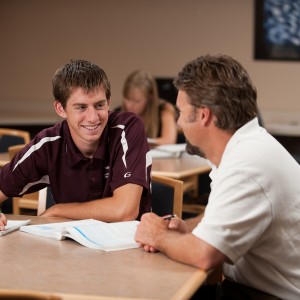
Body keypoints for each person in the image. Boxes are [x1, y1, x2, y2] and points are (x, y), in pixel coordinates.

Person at [135, 54, 300, 299]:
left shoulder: (246, 165)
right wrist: (185, 228)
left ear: (204, 115)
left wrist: (157, 235)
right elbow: (222, 217)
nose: (179, 122)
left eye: (181, 112)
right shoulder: (247, 147)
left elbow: (204, 255)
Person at [0, 59, 151, 229]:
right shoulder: (48, 145)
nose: (93, 117)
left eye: (99, 105)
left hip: (128, 250)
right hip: (70, 250)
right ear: (60, 109)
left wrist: (59, 210)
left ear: (108, 102)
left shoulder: (127, 127)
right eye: (81, 107)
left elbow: (124, 211)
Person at [117, 69, 178, 145]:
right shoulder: (117, 114)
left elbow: (169, 141)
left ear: (149, 98)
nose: (129, 105)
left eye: (137, 101)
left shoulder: (164, 109)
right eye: (127, 99)